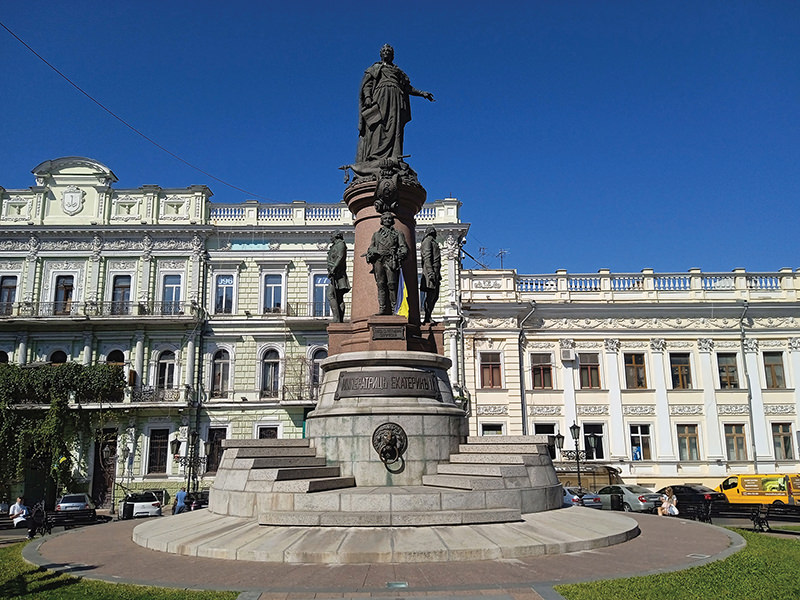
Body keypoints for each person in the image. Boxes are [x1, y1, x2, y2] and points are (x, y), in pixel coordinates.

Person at [356, 44, 434, 164]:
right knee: (379, 124)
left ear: (393, 55)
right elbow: (367, 84)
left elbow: (407, 88)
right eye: (384, 50)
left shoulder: (398, 71)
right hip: (380, 97)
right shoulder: (375, 68)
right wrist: (367, 97)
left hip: (396, 99)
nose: (386, 52)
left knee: (394, 126)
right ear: (381, 54)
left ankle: (394, 155)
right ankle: (375, 155)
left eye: (389, 51)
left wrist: (422, 93)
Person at [366, 213, 408, 315]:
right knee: (380, 285)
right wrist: (374, 251)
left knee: (392, 284)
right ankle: (382, 308)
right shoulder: (376, 235)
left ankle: (395, 309)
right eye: (385, 218)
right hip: (379, 261)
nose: (387, 220)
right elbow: (371, 247)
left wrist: (398, 254)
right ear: (382, 221)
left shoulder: (398, 234)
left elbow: (403, 248)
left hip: (390, 259)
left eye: (389, 218)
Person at [326, 232, 350, 323]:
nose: (330, 237)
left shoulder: (340, 244)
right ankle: (338, 319)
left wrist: (334, 269)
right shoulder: (335, 245)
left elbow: (340, 257)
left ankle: (337, 318)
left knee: (331, 294)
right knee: (338, 297)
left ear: (336, 235)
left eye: (331, 235)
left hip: (338, 274)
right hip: (335, 274)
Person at [420, 227, 441, 324]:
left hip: (435, 272)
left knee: (435, 296)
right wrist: (430, 272)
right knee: (430, 296)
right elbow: (427, 257)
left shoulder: (432, 241)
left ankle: (428, 316)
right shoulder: (427, 241)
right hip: (430, 272)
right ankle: (427, 318)